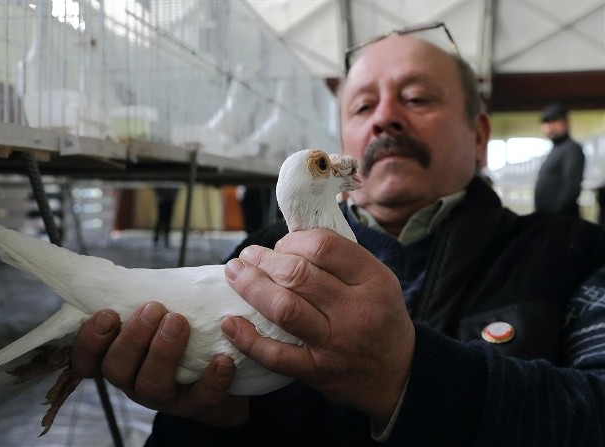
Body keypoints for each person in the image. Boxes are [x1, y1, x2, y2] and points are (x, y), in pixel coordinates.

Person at [71, 31, 605, 446]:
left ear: (480, 135)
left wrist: (412, 376)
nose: (386, 119)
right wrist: (208, 421)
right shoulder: (257, 259)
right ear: (343, 139)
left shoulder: (575, 253)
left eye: (418, 98)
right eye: (362, 107)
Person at [534, 101, 585, 216]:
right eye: (546, 123)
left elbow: (572, 188)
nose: (549, 127)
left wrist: (555, 215)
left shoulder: (571, 149)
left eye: (554, 122)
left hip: (561, 221)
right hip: (548, 219)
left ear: (566, 123)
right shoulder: (555, 150)